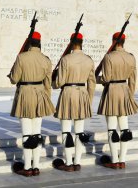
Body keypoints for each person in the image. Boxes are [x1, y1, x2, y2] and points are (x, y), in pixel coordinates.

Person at [8, 31, 55, 177]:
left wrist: (11, 74)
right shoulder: (46, 60)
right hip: (40, 94)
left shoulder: (22, 57)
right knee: (37, 132)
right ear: (39, 43)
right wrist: (46, 98)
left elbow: (14, 79)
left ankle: (27, 167)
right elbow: (48, 83)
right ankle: (36, 166)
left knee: (27, 133)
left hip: (25, 94)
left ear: (29, 43)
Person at [53, 33, 96, 172]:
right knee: (79, 131)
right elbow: (92, 83)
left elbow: (59, 82)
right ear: (82, 42)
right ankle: (77, 162)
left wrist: (54, 83)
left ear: (71, 43)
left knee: (66, 130)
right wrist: (88, 99)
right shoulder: (89, 60)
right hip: (82, 93)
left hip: (68, 93)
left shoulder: (66, 59)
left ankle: (68, 162)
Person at [97, 32, 138, 169]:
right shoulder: (131, 57)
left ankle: (114, 161)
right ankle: (122, 160)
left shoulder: (109, 57)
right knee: (124, 128)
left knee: (112, 129)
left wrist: (96, 79)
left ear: (113, 41)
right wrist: (129, 96)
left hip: (113, 90)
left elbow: (106, 78)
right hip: (125, 90)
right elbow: (132, 80)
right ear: (124, 41)